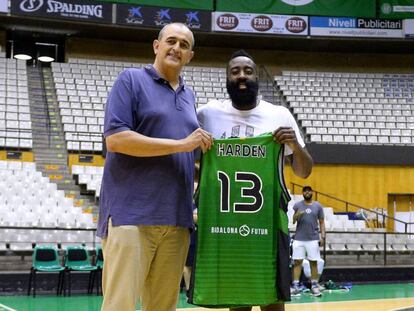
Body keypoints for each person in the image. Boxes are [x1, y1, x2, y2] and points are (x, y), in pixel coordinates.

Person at [97, 23, 213, 311]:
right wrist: (181, 144)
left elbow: (188, 153)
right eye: (170, 41)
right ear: (156, 46)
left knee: (163, 307)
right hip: (131, 216)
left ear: (190, 56)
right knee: (119, 305)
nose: (176, 48)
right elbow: (116, 140)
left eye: (184, 45)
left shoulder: (189, 97)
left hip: (176, 219)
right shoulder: (131, 80)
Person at [196, 50, 313, 311]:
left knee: (273, 301)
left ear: (257, 76)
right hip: (225, 224)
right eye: (235, 71)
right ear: (227, 77)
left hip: (267, 224)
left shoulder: (279, 115)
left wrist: (294, 142)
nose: (241, 76)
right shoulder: (207, 114)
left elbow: (304, 172)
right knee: (237, 300)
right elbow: (194, 167)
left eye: (247, 71)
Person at [291, 186, 325, 297]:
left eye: (309, 190)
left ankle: (314, 286)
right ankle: (295, 286)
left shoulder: (318, 206)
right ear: (302, 193)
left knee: (313, 262)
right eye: (305, 191)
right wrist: (297, 215)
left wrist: (323, 236)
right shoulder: (298, 205)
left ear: (312, 192)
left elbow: (321, 222)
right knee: (297, 263)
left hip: (313, 239)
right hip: (299, 239)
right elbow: (293, 220)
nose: (307, 192)